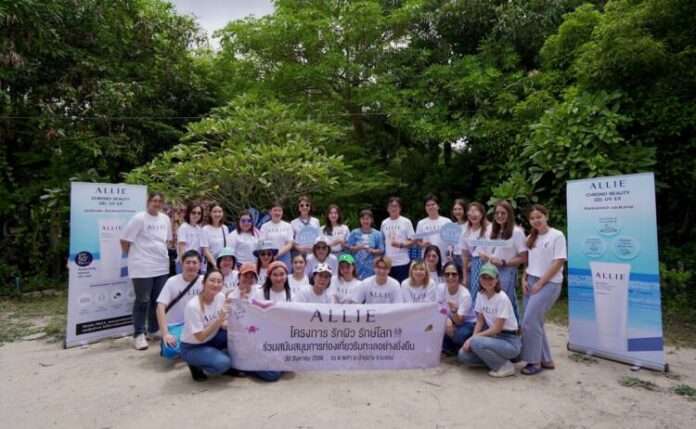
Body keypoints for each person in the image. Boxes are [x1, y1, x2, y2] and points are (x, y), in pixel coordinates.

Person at [180, 269, 281, 382]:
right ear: (203, 282)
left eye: (219, 281)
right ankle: (198, 363)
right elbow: (200, 337)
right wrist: (219, 320)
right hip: (193, 346)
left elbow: (225, 323)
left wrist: (242, 330)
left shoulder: (220, 296)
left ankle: (234, 360)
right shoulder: (193, 306)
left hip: (213, 338)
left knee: (240, 337)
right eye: (212, 280)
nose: (216, 284)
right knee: (223, 363)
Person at [121, 192, 172, 350]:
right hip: (142, 267)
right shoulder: (139, 218)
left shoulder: (165, 219)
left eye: (160, 201)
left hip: (161, 266)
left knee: (157, 300)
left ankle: (153, 330)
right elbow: (124, 241)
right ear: (148, 202)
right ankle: (139, 334)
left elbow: (166, 240)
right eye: (154, 200)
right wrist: (135, 257)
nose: (157, 203)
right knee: (142, 300)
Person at [520, 204, 566, 375]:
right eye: (532, 218)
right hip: (531, 281)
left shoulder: (557, 235)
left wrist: (540, 283)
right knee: (535, 321)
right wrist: (524, 279)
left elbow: (558, 262)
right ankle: (546, 359)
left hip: (549, 283)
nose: (536, 220)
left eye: (539, 216)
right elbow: (529, 263)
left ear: (546, 216)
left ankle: (534, 362)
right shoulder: (531, 238)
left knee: (529, 321)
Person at [457, 263, 521, 378]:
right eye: (484, 277)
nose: (487, 281)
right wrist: (472, 338)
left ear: (497, 280)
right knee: (463, 355)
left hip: (509, 341)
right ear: (480, 279)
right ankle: (496, 360)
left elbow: (497, 328)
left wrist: (473, 339)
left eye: (490, 278)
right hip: (494, 339)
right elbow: (480, 321)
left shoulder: (502, 298)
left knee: (475, 342)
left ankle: (505, 366)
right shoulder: (480, 295)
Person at [479, 200, 528, 320]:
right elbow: (483, 249)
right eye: (497, 213)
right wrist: (484, 255)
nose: (499, 216)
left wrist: (504, 262)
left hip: (506, 271)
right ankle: (494, 326)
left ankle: (512, 328)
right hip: (489, 270)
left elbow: (524, 257)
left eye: (503, 213)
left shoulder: (517, 232)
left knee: (506, 301)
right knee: (491, 301)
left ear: (509, 214)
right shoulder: (490, 230)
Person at [156, 249, 204, 351]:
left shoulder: (204, 281)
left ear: (200, 265)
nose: (191, 266)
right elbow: (160, 307)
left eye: (194, 263)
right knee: (170, 350)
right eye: (188, 262)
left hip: (198, 324)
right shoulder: (172, 281)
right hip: (176, 326)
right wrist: (165, 333)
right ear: (182, 264)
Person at [438, 261, 475, 354]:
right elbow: (438, 308)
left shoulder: (465, 295)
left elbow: (460, 321)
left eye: (454, 274)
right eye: (447, 274)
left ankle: (455, 346)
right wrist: (446, 319)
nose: (450, 277)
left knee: (459, 336)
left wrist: (454, 311)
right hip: (450, 319)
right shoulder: (440, 288)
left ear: (459, 276)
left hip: (467, 322)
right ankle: (452, 347)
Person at [461, 201, 491, 302]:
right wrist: (465, 277)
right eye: (470, 211)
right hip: (475, 265)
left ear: (482, 214)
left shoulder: (490, 229)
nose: (473, 214)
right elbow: (465, 256)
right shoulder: (465, 232)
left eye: (476, 211)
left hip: (491, 263)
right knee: (475, 293)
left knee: (490, 292)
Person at [380, 197, 415, 283]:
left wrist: (400, 244)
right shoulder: (384, 223)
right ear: (387, 209)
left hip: (402, 262)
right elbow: (382, 240)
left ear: (400, 208)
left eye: (396, 206)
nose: (393, 208)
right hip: (388, 263)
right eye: (391, 206)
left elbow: (413, 241)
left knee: (402, 286)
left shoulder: (406, 222)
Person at [346, 209, 385, 280]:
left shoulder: (377, 234)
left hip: (371, 267)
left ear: (371, 220)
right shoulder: (354, 232)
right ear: (360, 220)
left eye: (367, 219)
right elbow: (348, 248)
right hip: (356, 266)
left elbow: (382, 250)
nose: (365, 221)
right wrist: (357, 248)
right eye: (363, 219)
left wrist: (373, 251)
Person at [415, 194, 452, 262]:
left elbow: (452, 242)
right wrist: (422, 244)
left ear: (438, 206)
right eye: (428, 205)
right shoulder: (421, 223)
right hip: (428, 260)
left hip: (445, 259)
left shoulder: (447, 221)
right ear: (425, 208)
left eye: (433, 204)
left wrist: (450, 253)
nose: (430, 207)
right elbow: (417, 241)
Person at [259, 201, 294, 268]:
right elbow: (262, 243)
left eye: (279, 211)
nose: (277, 213)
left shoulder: (288, 226)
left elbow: (290, 243)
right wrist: (271, 255)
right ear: (270, 212)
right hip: (269, 256)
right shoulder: (264, 226)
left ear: (282, 212)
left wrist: (277, 254)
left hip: (285, 256)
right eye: (275, 210)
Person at [177, 202, 205, 272]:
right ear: (188, 213)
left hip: (195, 263)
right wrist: (184, 266)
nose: (196, 215)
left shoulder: (199, 229)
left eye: (199, 213)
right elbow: (181, 249)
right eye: (193, 212)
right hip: (185, 264)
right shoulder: (183, 227)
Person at [201, 203, 230, 270]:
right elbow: (205, 250)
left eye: (219, 212)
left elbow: (226, 247)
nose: (217, 214)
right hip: (210, 264)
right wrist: (215, 264)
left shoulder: (225, 228)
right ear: (210, 213)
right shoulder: (205, 229)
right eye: (214, 212)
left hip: (222, 263)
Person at [450, 199, 468, 270]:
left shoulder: (470, 225)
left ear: (464, 210)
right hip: (454, 257)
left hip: (466, 258)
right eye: (455, 209)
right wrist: (450, 254)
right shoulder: (452, 226)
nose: (457, 212)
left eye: (460, 209)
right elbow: (451, 244)